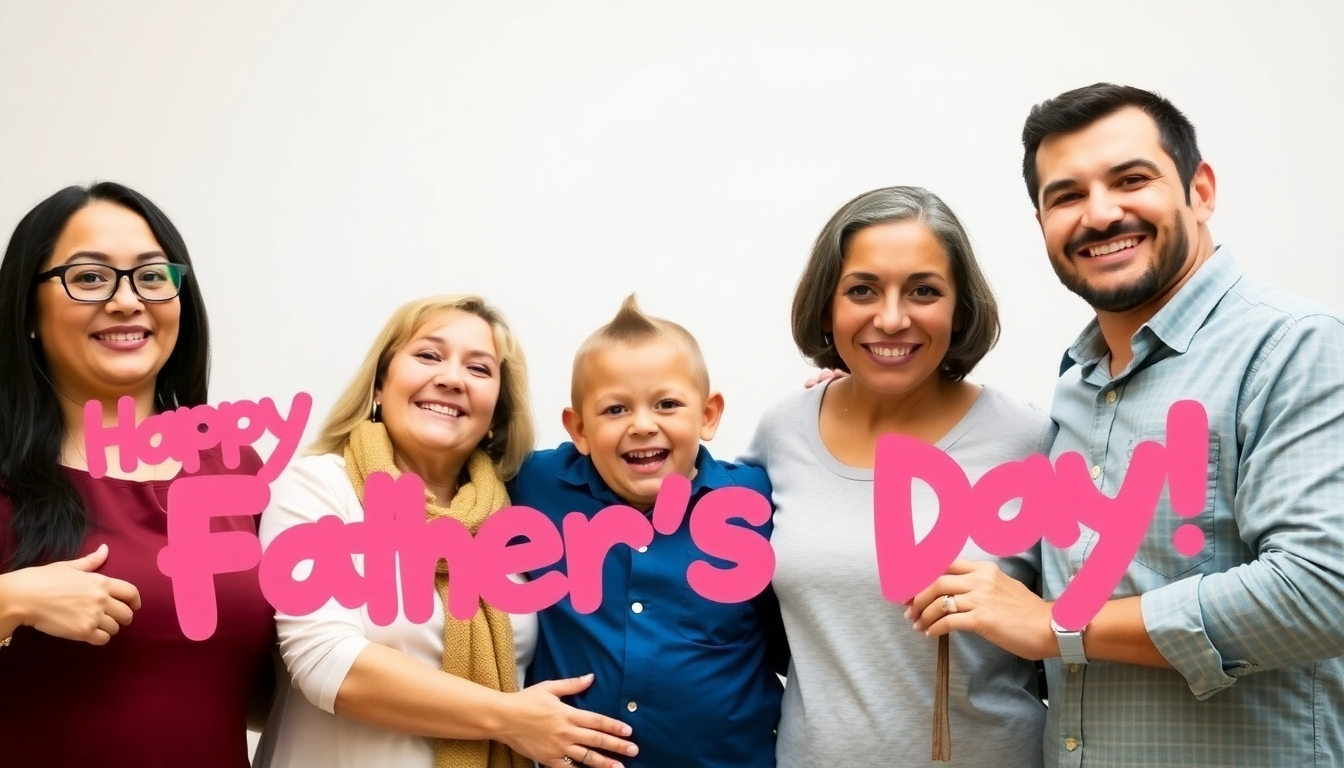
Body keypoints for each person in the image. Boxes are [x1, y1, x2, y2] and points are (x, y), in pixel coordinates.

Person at [907, 83, 1344, 766]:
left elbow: (1325, 591)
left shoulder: (1293, 346)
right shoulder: (1076, 385)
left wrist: (1058, 623)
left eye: (1130, 179)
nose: (1101, 214)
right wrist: (867, 392)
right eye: (1067, 195)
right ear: (1043, 224)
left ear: (1200, 190)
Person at [255, 294, 638, 768]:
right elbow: (328, 664)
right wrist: (511, 719)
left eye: (479, 369)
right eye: (428, 355)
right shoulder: (318, 486)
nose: (452, 379)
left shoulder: (514, 519)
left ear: (496, 412)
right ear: (379, 384)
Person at [744, 186, 1051, 767]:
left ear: (960, 308)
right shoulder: (782, 431)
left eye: (924, 291)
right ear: (827, 305)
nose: (890, 318)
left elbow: (1075, 629)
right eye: (862, 290)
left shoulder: (1031, 442)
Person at [0, 182, 275, 767]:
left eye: (152, 276)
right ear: (27, 310)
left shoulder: (236, 467)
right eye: (91, 278)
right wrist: (10, 599)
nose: (128, 301)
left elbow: (254, 695)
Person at [508, 294, 784, 768]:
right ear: (578, 428)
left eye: (667, 404)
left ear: (708, 415)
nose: (641, 425)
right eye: (615, 410)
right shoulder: (533, 485)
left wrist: (845, 391)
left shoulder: (758, 500)